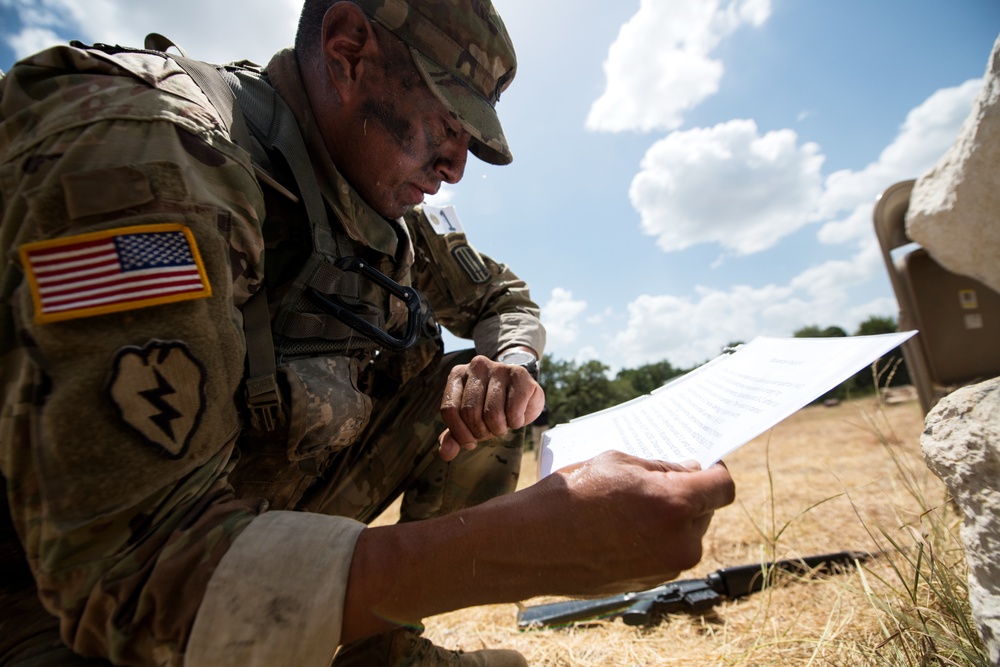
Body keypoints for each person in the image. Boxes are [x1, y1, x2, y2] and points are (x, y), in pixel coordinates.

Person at [0, 1, 737, 665]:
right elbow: (127, 575)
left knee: (484, 394)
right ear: (348, 49)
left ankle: (384, 652)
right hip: (62, 602)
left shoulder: (381, 216)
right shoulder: (151, 152)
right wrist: (517, 549)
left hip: (232, 526)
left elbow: (503, 294)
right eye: (447, 125)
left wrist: (508, 361)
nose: (455, 167)